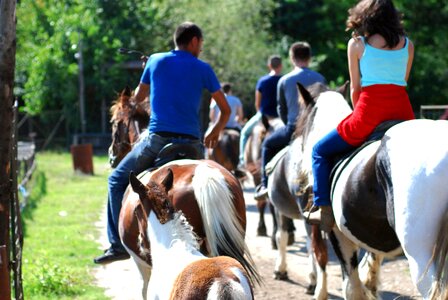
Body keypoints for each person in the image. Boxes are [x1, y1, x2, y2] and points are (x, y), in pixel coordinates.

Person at [94, 22, 230, 264]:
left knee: (115, 180)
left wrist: (150, 71)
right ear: (195, 41)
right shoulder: (203, 68)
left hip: (158, 141)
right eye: (201, 44)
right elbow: (225, 109)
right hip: (193, 144)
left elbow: (137, 99)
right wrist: (215, 130)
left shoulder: (155, 60)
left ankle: (117, 245)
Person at [307, 0, 415, 232]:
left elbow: (355, 89)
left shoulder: (357, 45)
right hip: (402, 113)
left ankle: (323, 208)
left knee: (319, 150)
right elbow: (401, 83)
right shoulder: (408, 45)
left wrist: (358, 114)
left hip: (368, 114)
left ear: (366, 17)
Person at [254, 42, 326, 200]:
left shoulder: (285, 80)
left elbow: (282, 109)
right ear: (309, 58)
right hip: (316, 130)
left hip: (293, 129)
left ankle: (265, 185)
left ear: (292, 58)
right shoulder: (320, 78)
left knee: (267, 144)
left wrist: (289, 124)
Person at [238, 55, 282, 166]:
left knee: (244, 133)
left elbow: (257, 103)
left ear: (269, 66)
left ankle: (242, 160)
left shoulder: (262, 81)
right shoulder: (283, 80)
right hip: (280, 117)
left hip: (264, 116)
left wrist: (259, 114)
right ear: (280, 66)